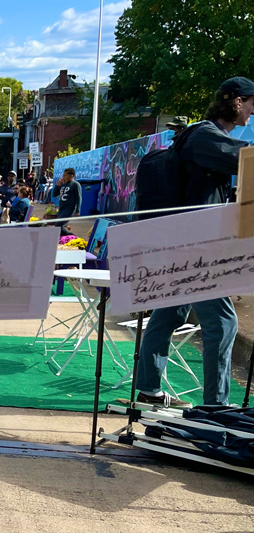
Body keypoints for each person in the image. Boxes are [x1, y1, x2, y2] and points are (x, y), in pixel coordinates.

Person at [136, 76, 254, 408]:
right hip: (196, 247)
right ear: (236, 102)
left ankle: (148, 390)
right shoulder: (204, 135)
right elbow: (245, 159)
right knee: (223, 322)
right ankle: (215, 407)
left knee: (169, 314)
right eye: (252, 104)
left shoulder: (200, 136)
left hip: (183, 242)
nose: (253, 112)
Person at [52, 168, 80, 236]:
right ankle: (63, 238)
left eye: (65, 175)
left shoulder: (75, 184)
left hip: (69, 208)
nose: (63, 177)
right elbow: (54, 194)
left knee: (60, 225)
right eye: (63, 175)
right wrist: (57, 186)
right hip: (61, 208)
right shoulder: (63, 184)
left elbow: (78, 197)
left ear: (71, 176)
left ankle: (73, 237)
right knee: (59, 226)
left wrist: (77, 210)